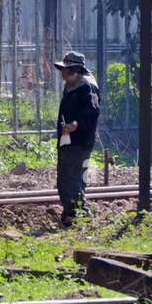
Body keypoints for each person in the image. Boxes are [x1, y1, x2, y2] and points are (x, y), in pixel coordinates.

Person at [53, 50, 100, 225]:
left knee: (72, 175)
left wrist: (75, 124)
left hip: (79, 141)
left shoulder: (87, 85)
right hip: (68, 140)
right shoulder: (73, 85)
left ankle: (79, 212)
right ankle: (71, 213)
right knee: (66, 175)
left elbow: (92, 111)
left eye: (66, 69)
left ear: (75, 69)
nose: (63, 73)